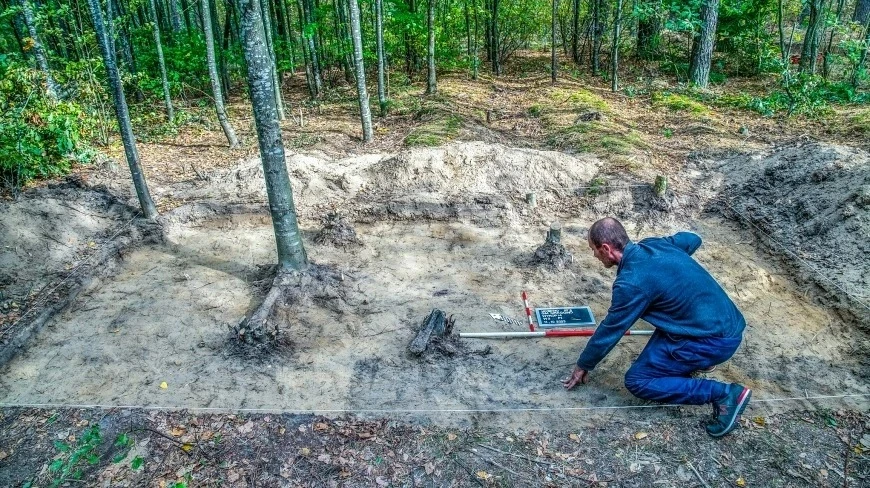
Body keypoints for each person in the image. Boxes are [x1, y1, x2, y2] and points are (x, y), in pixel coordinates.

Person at [562, 217, 751, 437]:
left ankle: (725, 394)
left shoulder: (631, 283)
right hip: (730, 324)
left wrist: (584, 364)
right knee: (669, 320)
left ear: (606, 248)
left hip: (712, 341)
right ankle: (698, 362)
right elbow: (692, 238)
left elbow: (611, 328)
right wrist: (673, 265)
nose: (594, 255)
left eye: (593, 250)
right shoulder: (655, 245)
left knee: (638, 381)